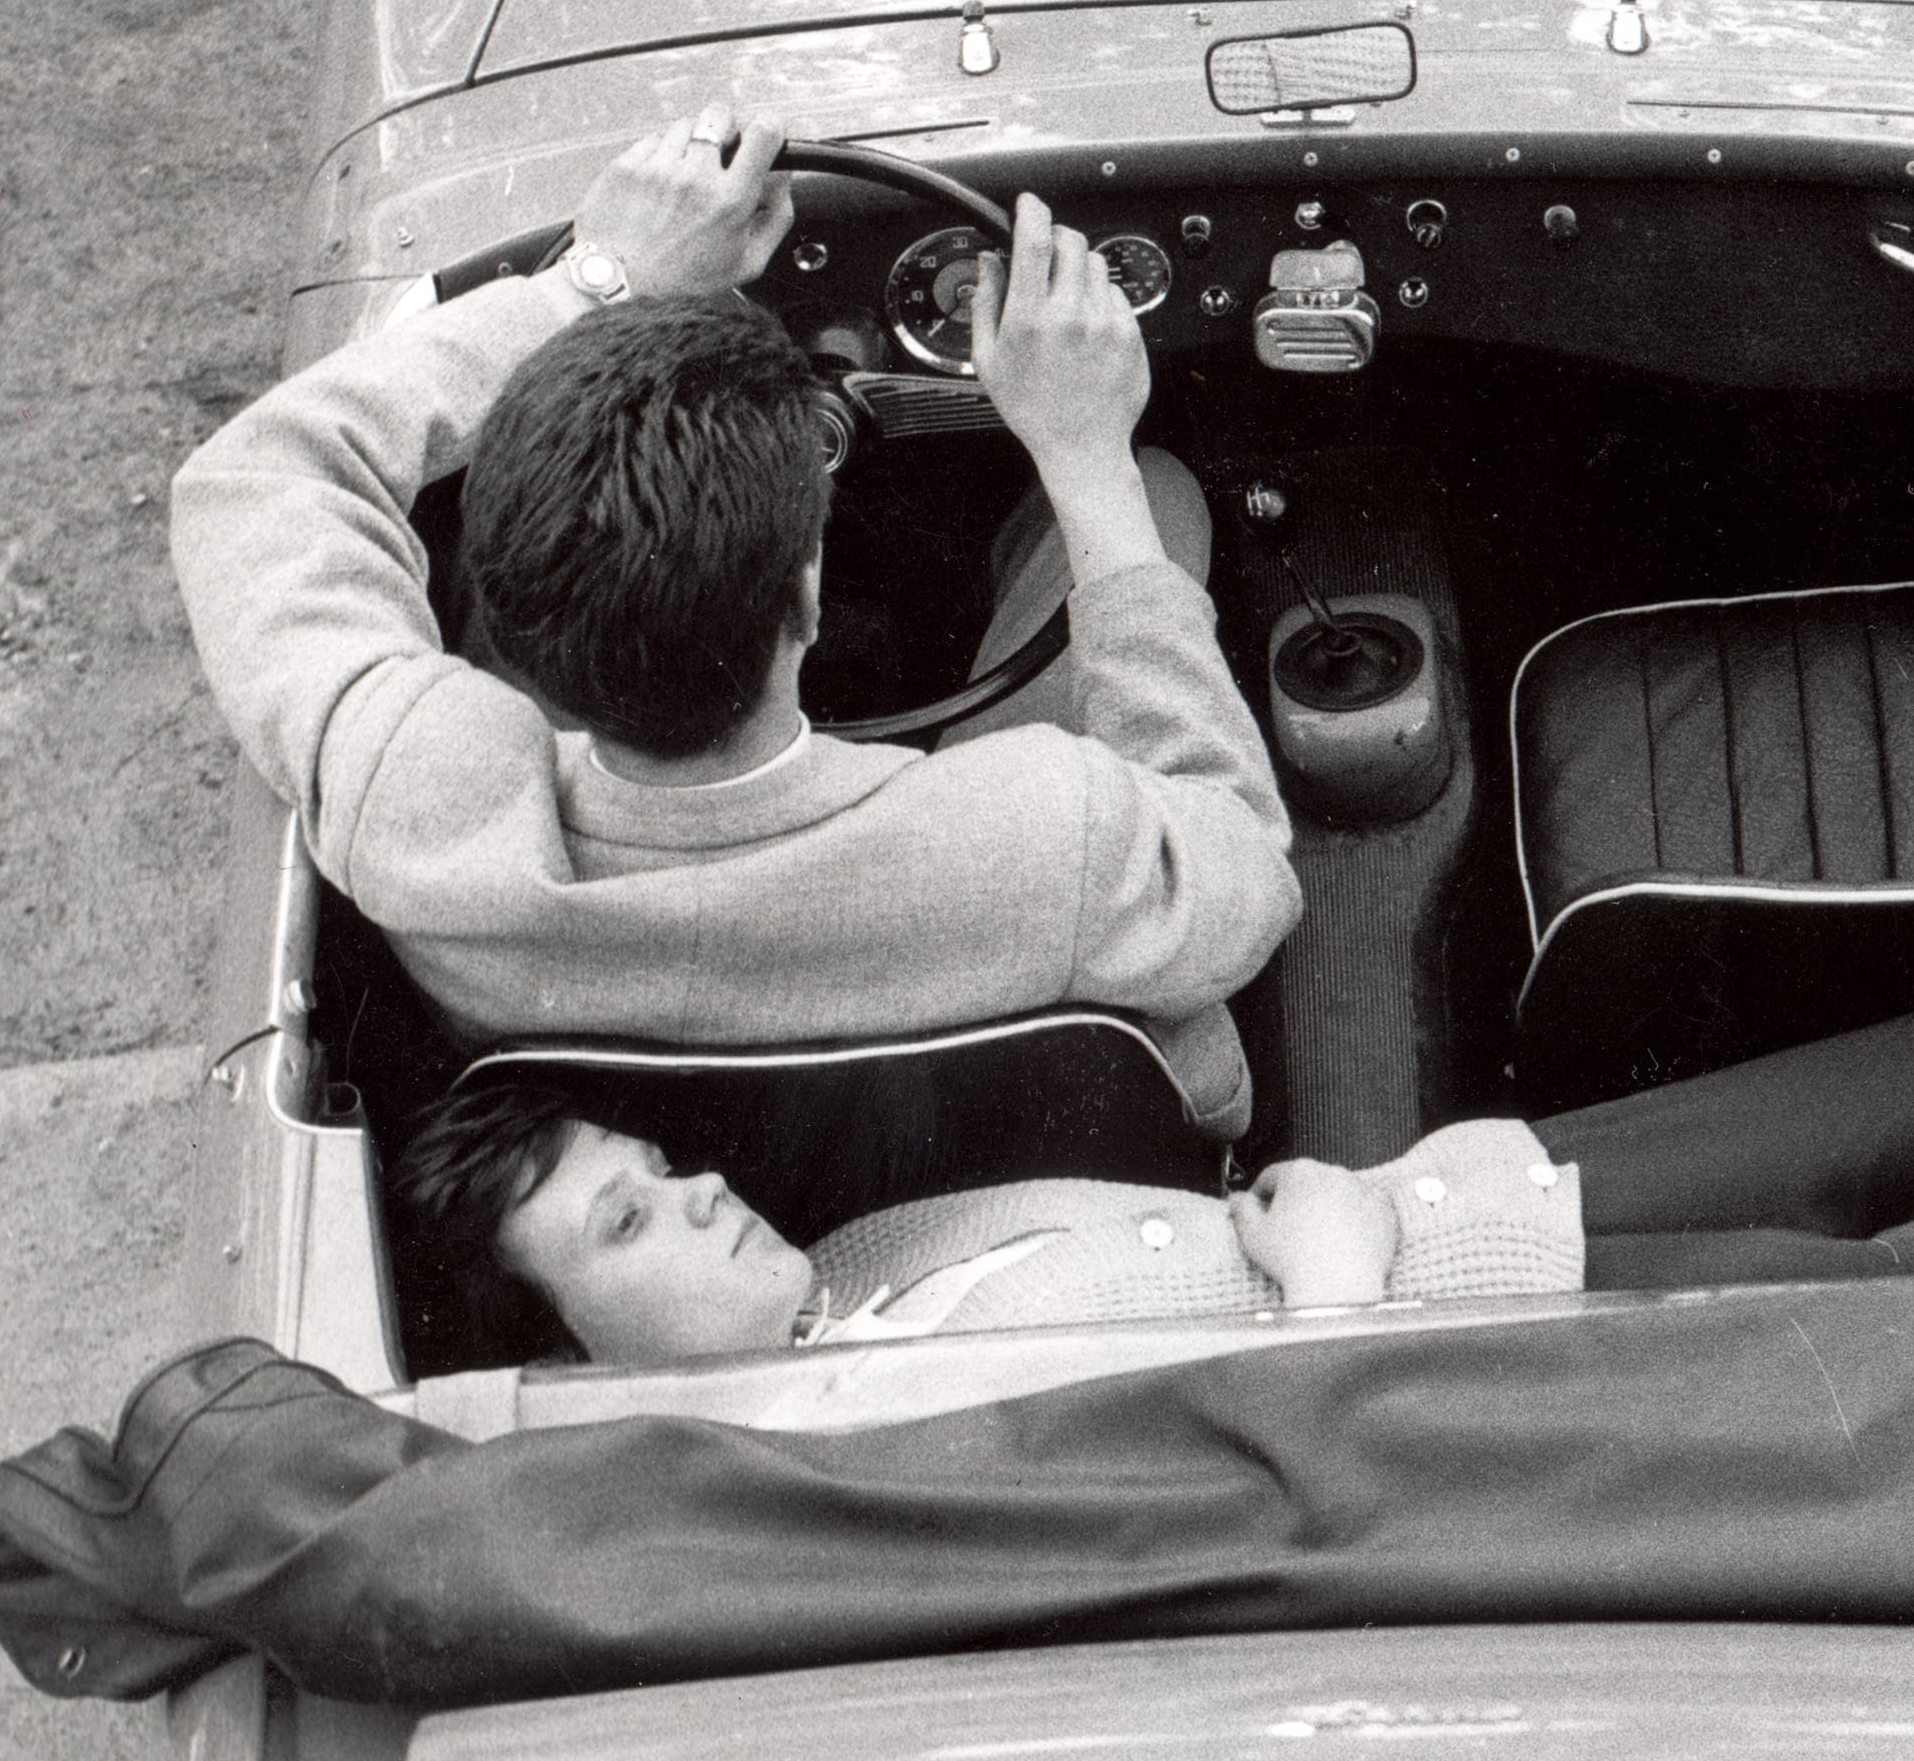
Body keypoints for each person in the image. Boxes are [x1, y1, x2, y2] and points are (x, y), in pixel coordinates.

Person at [170, 122, 1300, 1135]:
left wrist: (594, 284)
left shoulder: (417, 801)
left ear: (503, 620)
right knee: (1152, 497)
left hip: (673, 1178)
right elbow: (1243, 859)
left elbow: (262, 474)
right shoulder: (1054, 841)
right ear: (811, 597)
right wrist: (1085, 454)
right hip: (1017, 1135)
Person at [386, 962, 1914, 1369]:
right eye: (627, 1219)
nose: (698, 1187)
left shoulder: (853, 1259)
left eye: (652, 1156)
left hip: (1522, 1184)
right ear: (567, 1360)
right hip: (1577, 1341)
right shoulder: (847, 1455)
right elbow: (1290, 1488)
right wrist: (1325, 1275)